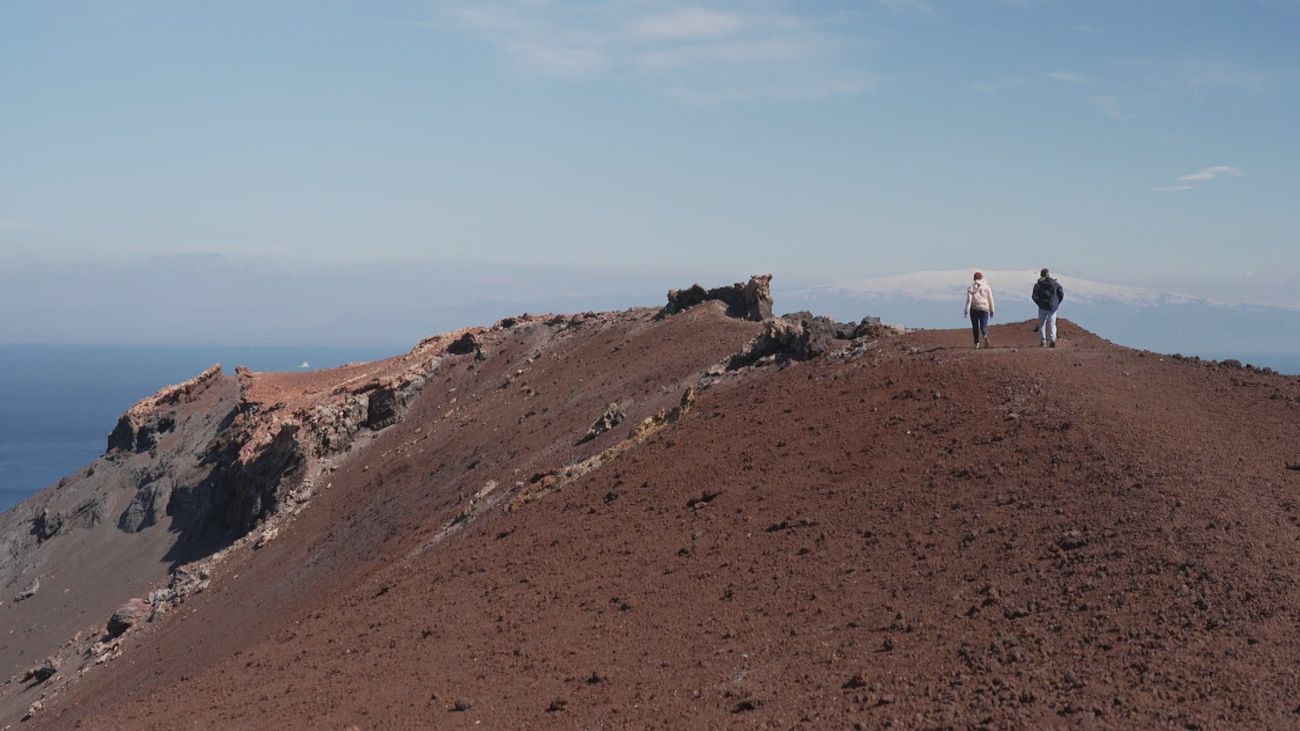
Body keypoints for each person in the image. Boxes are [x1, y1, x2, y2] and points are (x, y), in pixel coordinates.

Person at [1032, 268, 1065, 347]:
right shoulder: (1055, 284)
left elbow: (1033, 296)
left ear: (1041, 275)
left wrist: (1039, 303)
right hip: (1052, 307)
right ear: (1048, 274)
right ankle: (1053, 338)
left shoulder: (1038, 285)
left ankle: (1042, 341)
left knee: (1042, 324)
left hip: (1042, 306)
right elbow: (1061, 294)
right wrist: (1056, 303)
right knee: (1052, 323)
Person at [962, 271, 995, 349]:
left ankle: (977, 343)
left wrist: (966, 311)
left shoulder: (971, 287)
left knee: (975, 326)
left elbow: (969, 300)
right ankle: (985, 335)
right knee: (984, 326)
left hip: (974, 309)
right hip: (984, 309)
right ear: (981, 278)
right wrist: (992, 310)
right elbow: (990, 299)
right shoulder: (987, 287)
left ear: (974, 279)